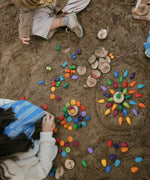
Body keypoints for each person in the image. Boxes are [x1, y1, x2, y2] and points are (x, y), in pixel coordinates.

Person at [0, 98, 57, 180]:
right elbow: (41, 170)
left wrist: (25, 109)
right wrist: (46, 134)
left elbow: (3, 103)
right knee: (52, 150)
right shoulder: (10, 171)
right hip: (26, 164)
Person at [12, 0, 91, 45]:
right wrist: (24, 32)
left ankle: (53, 20)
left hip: (62, 2)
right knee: (29, 27)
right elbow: (26, 10)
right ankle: (66, 20)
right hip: (42, 7)